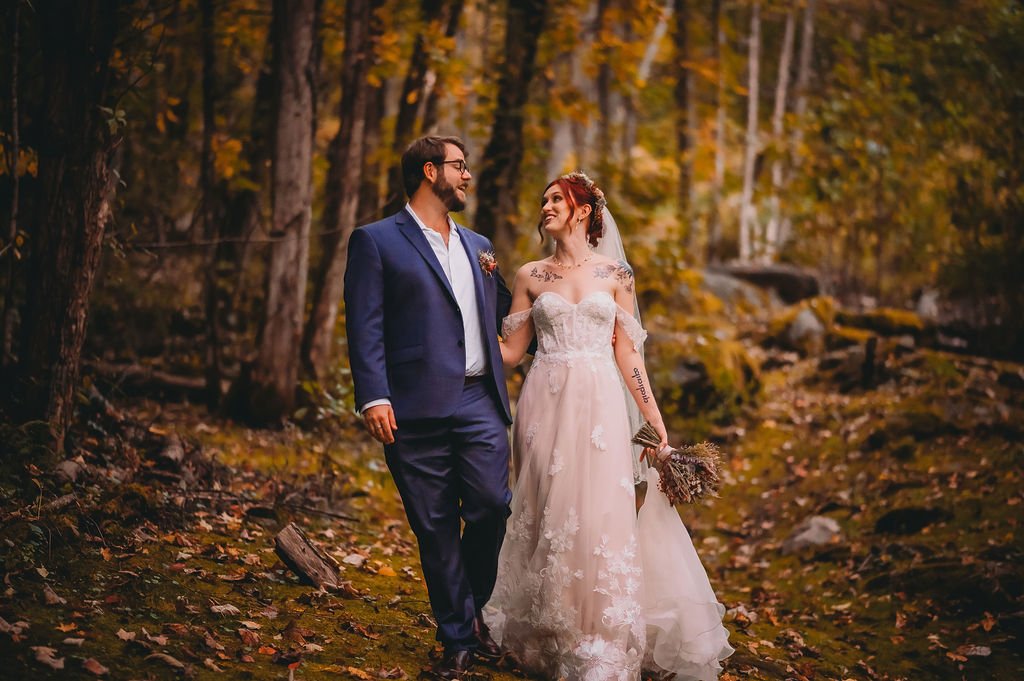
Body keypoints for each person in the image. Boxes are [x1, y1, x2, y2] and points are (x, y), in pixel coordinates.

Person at [485, 171, 734, 680]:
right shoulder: (530, 275)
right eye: (544, 199)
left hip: (599, 403)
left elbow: (628, 354)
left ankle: (596, 639)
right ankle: (551, 632)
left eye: (556, 199)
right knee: (549, 510)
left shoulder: (617, 275)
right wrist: (468, 307)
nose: (546, 206)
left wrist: (654, 420)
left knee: (598, 514)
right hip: (543, 403)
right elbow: (509, 354)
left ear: (582, 209)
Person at [344, 136, 512, 679]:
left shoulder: (479, 245)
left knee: (491, 507)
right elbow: (364, 322)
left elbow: (514, 313)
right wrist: (374, 394)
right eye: (460, 167)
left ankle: (468, 612)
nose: (467, 177)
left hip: (478, 399)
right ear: (429, 170)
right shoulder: (375, 241)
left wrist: (573, 292)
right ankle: (459, 639)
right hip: (411, 407)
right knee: (435, 525)